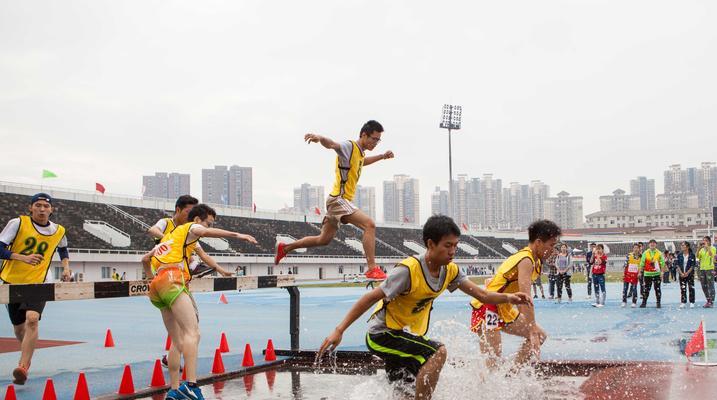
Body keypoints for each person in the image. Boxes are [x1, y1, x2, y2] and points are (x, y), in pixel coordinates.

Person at [316, 216, 530, 400]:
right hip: (382, 334)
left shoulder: (450, 271)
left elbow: (482, 295)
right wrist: (340, 329)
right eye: (447, 245)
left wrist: (510, 297)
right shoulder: (409, 270)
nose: (453, 251)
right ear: (430, 244)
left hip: (404, 335)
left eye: (455, 245)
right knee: (437, 352)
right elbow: (371, 297)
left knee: (404, 393)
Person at [141, 204, 257, 400]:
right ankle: (192, 385)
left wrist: (150, 279)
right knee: (192, 333)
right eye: (207, 223)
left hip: (157, 287)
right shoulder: (189, 228)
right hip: (173, 280)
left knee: (178, 342)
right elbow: (204, 231)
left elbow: (145, 259)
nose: (207, 227)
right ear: (196, 220)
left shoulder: (168, 239)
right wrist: (239, 235)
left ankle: (174, 390)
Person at [276, 121, 394, 272]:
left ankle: (285, 248)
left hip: (335, 201)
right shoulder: (349, 146)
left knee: (323, 240)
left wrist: (382, 156)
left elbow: (362, 162)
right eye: (374, 139)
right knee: (369, 225)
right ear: (364, 135)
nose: (376, 143)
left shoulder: (359, 153)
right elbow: (333, 145)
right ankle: (372, 268)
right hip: (339, 199)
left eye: (378, 140)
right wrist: (319, 138)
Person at [0, 193, 71, 385]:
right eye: (38, 205)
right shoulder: (18, 223)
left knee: (32, 319)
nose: (42, 209)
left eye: (45, 206)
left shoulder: (59, 230)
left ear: (51, 209)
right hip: (12, 281)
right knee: (18, 328)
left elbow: (63, 248)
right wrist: (22, 257)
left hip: (40, 281)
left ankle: (23, 367)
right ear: (30, 208)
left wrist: (65, 267)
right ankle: (27, 353)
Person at [471, 220, 560, 369]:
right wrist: (531, 330)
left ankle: (511, 373)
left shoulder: (535, 261)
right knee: (492, 362)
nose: (553, 250)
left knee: (539, 335)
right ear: (538, 242)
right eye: (551, 245)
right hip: (488, 308)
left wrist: (533, 331)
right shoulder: (526, 260)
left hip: (503, 308)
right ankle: (485, 386)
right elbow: (524, 298)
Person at [148, 195, 233, 279]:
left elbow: (203, 255)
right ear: (178, 209)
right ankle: (193, 267)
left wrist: (221, 271)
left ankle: (193, 267)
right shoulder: (165, 222)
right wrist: (171, 240)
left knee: (186, 252)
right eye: (188, 212)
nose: (190, 215)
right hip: (160, 266)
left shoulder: (188, 230)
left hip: (177, 271)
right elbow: (152, 230)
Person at [639, 239, 665, 308]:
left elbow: (662, 263)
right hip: (647, 274)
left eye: (654, 243)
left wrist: (662, 273)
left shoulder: (659, 253)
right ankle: (644, 303)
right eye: (651, 243)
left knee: (657, 289)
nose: (652, 244)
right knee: (646, 289)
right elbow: (642, 263)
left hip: (656, 274)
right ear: (649, 245)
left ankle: (658, 303)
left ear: (656, 244)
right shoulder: (645, 253)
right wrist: (640, 272)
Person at [697, 236, 717, 308]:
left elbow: (711, 255)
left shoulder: (713, 248)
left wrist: (707, 247)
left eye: (705, 240)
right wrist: (699, 248)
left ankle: (711, 301)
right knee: (703, 286)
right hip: (702, 269)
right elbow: (697, 256)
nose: (704, 242)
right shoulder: (702, 250)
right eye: (703, 240)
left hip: (709, 269)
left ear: (709, 241)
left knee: (710, 285)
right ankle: (708, 300)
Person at [676, 241, 696, 308]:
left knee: (691, 288)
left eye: (683, 245)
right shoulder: (679, 255)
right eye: (681, 245)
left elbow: (693, 265)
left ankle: (692, 302)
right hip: (681, 274)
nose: (682, 246)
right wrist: (681, 273)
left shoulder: (692, 255)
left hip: (689, 274)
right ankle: (683, 302)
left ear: (687, 247)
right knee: (683, 288)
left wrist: (687, 273)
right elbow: (677, 265)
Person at [622, 243, 642, 308]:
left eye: (637, 248)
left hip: (635, 275)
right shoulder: (629, 255)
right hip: (627, 273)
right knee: (625, 288)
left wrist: (639, 273)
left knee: (634, 289)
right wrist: (623, 273)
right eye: (634, 248)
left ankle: (634, 302)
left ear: (639, 249)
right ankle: (624, 301)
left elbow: (641, 266)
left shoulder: (641, 257)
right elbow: (625, 265)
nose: (635, 249)